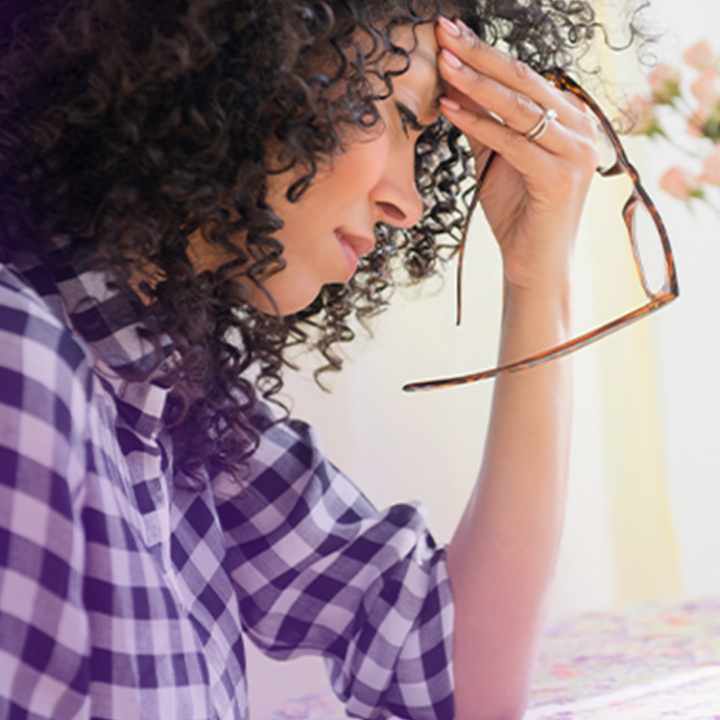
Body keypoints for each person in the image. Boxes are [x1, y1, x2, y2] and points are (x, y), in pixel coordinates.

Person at [0, 1, 645, 718]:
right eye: (401, 113)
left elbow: (460, 680)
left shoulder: (168, 390)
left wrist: (537, 278)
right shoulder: (20, 371)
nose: (408, 203)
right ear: (245, 49)